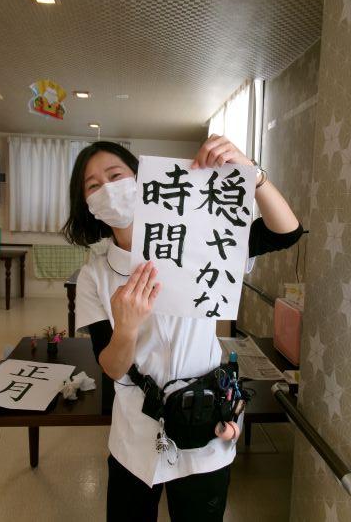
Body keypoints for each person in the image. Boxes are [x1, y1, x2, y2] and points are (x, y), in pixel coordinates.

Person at [62, 135, 303, 522]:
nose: (107, 188)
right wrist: (126, 329)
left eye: (116, 175)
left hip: (204, 422)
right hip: (134, 435)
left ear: (143, 179)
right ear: (86, 204)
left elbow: (285, 233)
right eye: (93, 185)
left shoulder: (202, 241)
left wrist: (253, 175)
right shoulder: (96, 275)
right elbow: (111, 368)